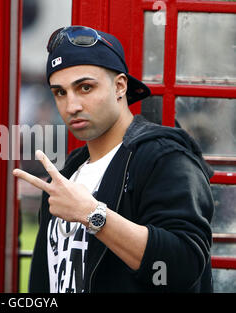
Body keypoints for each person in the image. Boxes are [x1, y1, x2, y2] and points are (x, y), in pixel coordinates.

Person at [13, 26, 214, 292]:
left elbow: (182, 266)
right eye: (60, 92)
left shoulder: (164, 157)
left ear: (120, 86)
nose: (71, 106)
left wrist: (92, 214)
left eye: (85, 87)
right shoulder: (65, 176)